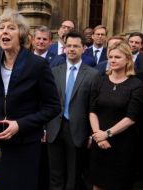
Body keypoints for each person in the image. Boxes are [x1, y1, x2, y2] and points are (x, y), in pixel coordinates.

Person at [0, 8, 61, 190]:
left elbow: (53, 107)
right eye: (1, 28)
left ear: (22, 35)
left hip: (26, 144)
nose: (5, 32)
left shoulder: (38, 65)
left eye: (11, 28)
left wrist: (20, 124)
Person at [46, 31, 99, 190]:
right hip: (54, 129)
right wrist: (44, 128)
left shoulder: (93, 74)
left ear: (84, 48)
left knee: (74, 177)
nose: (71, 49)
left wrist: (91, 134)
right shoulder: (55, 71)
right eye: (68, 45)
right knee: (55, 175)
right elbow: (47, 102)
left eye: (76, 46)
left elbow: (93, 107)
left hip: (78, 131)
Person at [89, 41, 143, 190]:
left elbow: (131, 117)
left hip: (122, 144)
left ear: (127, 59)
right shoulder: (100, 81)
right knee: (97, 184)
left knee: (119, 184)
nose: (112, 60)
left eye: (117, 57)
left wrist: (107, 134)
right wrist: (97, 135)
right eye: (111, 56)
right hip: (99, 141)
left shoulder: (136, 85)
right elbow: (92, 111)